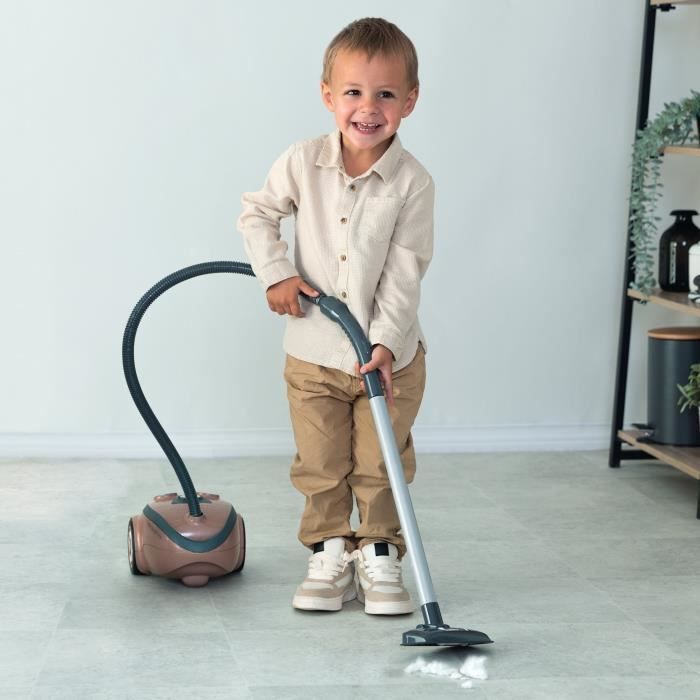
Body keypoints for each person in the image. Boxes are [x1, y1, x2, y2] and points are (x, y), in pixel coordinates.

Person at [238, 17, 434, 615]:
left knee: (380, 464)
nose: (368, 108)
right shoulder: (302, 162)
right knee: (321, 463)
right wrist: (276, 273)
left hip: (387, 361)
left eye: (385, 94)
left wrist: (385, 343)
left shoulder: (413, 183)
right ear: (328, 96)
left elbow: (404, 272)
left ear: (409, 101)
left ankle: (379, 554)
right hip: (313, 356)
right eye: (353, 92)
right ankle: (328, 551)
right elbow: (257, 214)